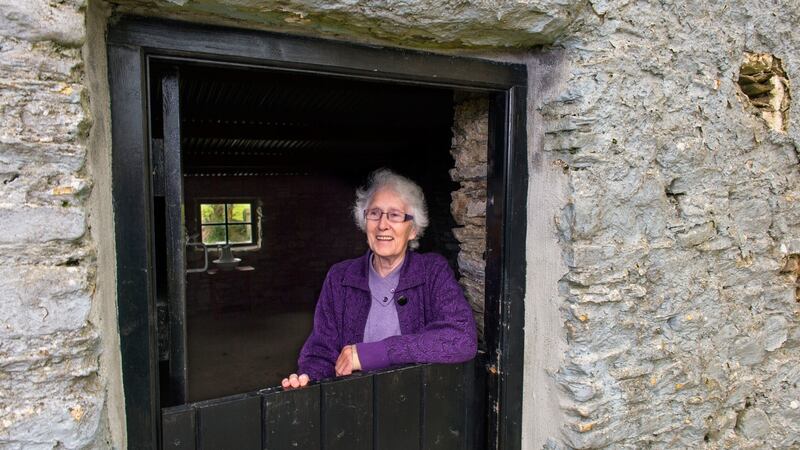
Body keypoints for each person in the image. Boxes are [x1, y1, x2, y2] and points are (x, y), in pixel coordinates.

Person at [281, 169, 477, 389]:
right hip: (354, 403)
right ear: (365, 222)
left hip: (417, 403)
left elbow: (461, 339)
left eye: (395, 215)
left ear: (412, 229)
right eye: (374, 213)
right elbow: (321, 350)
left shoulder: (432, 271)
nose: (382, 224)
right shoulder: (340, 277)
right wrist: (308, 377)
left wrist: (374, 353)